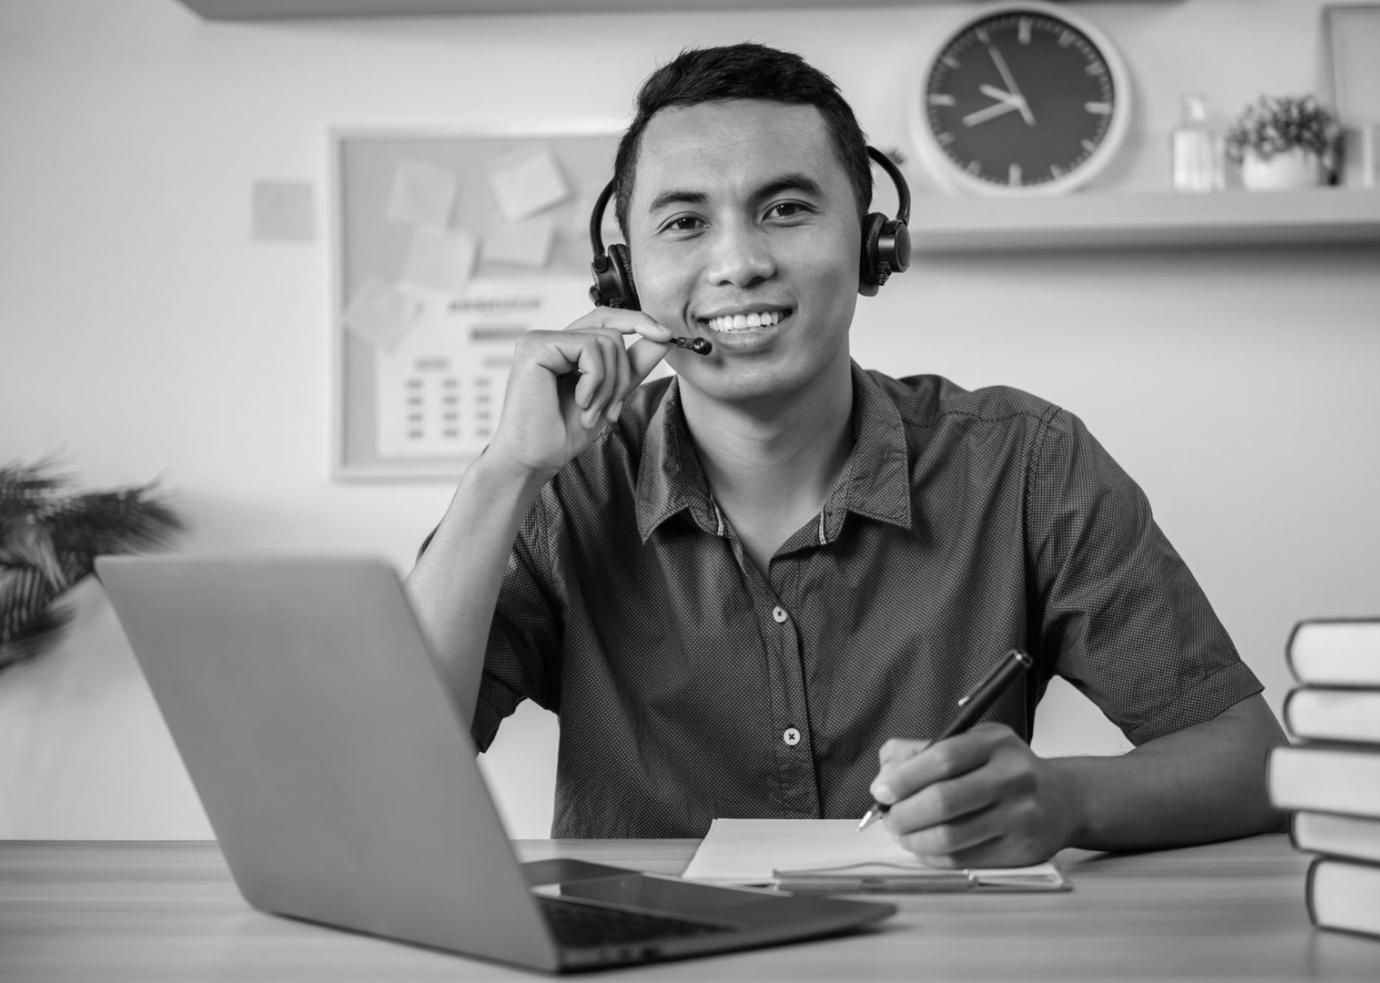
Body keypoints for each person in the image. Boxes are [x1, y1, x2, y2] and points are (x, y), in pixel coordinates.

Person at [407, 43, 1287, 866]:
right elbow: (396, 765)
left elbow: (1248, 758)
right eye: (683, 222)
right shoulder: (563, 492)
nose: (739, 262)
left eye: (785, 210)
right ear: (621, 275)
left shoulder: (1026, 465)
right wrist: (505, 471)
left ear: (872, 246)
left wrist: (1069, 798)